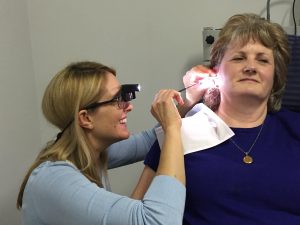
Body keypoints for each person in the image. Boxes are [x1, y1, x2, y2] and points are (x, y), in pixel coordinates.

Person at [134, 13, 300, 225]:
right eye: (239, 58)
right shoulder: (180, 132)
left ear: (276, 76)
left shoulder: (295, 129)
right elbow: (138, 213)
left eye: (263, 59)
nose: (251, 66)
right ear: (215, 71)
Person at [16, 61, 186, 225]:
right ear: (85, 118)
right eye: (117, 99)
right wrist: (172, 128)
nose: (128, 106)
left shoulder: (87, 151)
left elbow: (149, 140)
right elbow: (161, 221)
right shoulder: (54, 181)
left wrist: (189, 99)